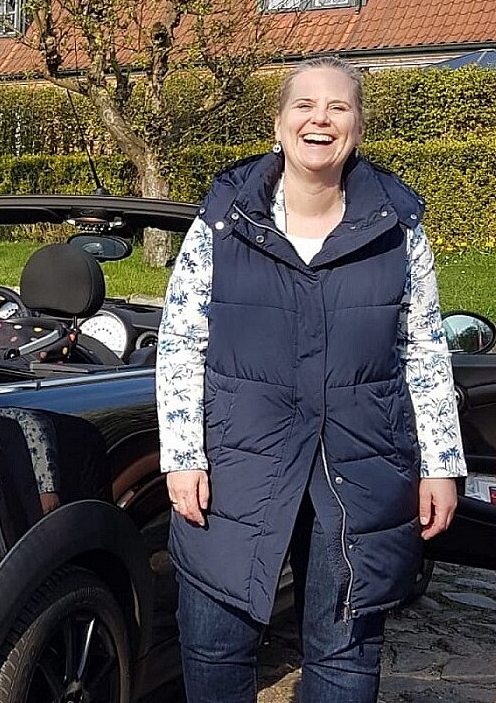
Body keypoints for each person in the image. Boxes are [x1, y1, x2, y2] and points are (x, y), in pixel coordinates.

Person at [156, 56, 465, 703]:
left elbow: (425, 349)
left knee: (346, 660)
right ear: (279, 123)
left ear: (357, 125)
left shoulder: (399, 230)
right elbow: (182, 339)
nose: (320, 119)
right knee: (215, 647)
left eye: (338, 107)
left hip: (359, 465)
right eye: (304, 105)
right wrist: (182, 455)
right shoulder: (221, 223)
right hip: (234, 465)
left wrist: (440, 463)